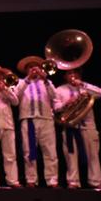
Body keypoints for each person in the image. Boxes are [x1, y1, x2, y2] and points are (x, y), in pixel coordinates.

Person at [54, 68, 101, 190]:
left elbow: (100, 94)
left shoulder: (85, 87)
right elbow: (55, 108)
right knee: (71, 155)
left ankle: (96, 181)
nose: (72, 75)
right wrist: (66, 103)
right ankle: (73, 181)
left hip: (88, 125)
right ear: (65, 76)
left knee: (93, 154)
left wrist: (82, 84)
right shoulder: (60, 89)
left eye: (75, 73)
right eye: (69, 73)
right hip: (70, 125)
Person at [14, 56, 61, 188]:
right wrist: (28, 79)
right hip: (28, 119)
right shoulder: (21, 82)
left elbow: (55, 97)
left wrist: (45, 79)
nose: (34, 69)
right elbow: (16, 97)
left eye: (36, 67)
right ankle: (31, 179)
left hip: (46, 119)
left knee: (50, 151)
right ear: (26, 70)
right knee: (29, 151)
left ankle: (52, 180)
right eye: (30, 67)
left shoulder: (46, 83)